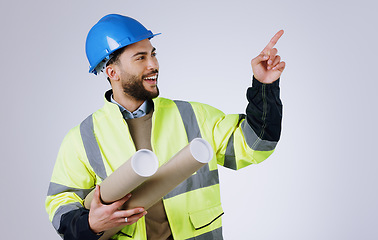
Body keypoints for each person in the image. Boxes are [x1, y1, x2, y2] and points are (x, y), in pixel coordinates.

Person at [45, 14, 284, 240]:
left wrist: (264, 87)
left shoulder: (193, 115)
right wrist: (90, 224)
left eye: (153, 54)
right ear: (112, 72)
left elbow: (256, 144)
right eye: (141, 57)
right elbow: (60, 206)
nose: (153, 64)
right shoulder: (82, 137)